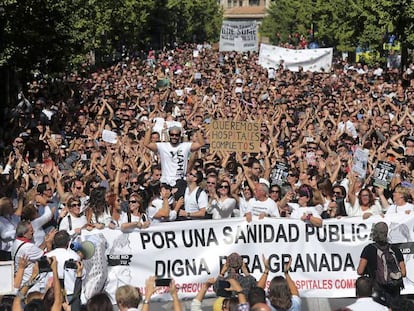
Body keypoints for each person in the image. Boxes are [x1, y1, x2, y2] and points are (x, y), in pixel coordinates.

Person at [357, 221, 406, 307]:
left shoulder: (368, 249)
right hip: (394, 290)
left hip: (378, 290)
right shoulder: (395, 249)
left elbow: (360, 271)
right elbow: (404, 273)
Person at [144, 125, 204, 190]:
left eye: (176, 135)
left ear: (180, 135)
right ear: (169, 135)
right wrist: (149, 128)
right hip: (165, 181)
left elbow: (201, 144)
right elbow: (147, 144)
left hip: (180, 181)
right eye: (172, 135)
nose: (174, 137)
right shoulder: (162, 146)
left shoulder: (185, 146)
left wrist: (197, 130)